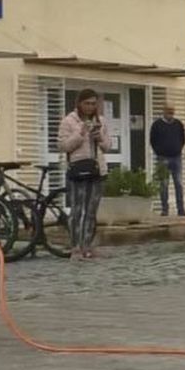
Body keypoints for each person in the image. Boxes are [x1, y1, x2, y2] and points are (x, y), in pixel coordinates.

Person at [59, 89, 112, 261]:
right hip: (77, 169)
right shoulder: (68, 121)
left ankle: (88, 246)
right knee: (77, 210)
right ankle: (75, 247)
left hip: (96, 169)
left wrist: (99, 138)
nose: (90, 107)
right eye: (87, 103)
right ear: (79, 103)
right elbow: (64, 146)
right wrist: (80, 133)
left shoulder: (100, 121)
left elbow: (108, 146)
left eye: (93, 103)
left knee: (91, 211)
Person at [149, 104, 185, 217]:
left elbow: (183, 138)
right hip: (163, 157)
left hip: (176, 157)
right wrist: (159, 152)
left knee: (179, 184)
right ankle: (164, 209)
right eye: (169, 112)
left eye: (172, 112)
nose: (171, 114)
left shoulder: (178, 124)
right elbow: (152, 140)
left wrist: (178, 149)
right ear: (164, 112)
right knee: (164, 184)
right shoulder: (157, 125)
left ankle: (180, 209)